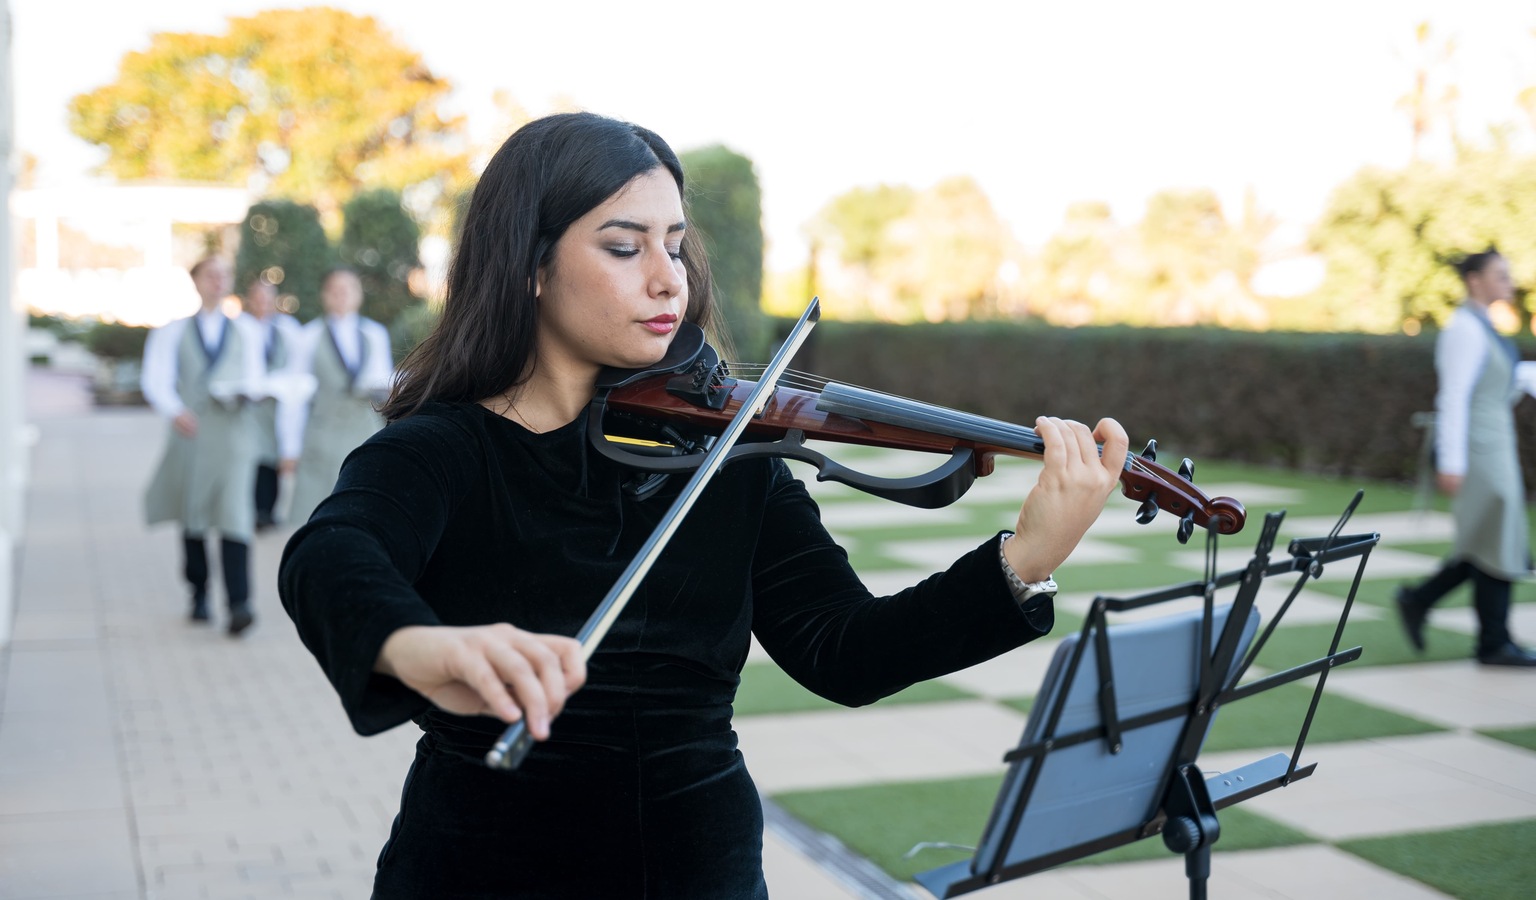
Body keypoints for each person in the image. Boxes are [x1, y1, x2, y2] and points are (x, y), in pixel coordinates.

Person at [278, 112, 1130, 898]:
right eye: (624, 247)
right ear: (531, 265)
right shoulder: (442, 451)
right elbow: (331, 554)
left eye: (676, 245)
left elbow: (846, 651)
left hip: (700, 866)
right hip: (484, 864)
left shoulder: (727, 453)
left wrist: (1023, 561)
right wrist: (417, 645)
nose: (667, 279)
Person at [1397, 248, 1536, 667]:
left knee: (1486, 541)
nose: (1508, 281)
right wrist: (1452, 462)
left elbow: (1500, 381)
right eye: (1500, 274)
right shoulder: (1464, 329)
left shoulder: (1484, 326)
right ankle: (1493, 642)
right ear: (1474, 280)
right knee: (1494, 540)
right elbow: (1453, 395)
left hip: (1494, 441)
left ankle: (1421, 600)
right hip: (1478, 449)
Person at [142, 256, 267, 636]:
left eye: (224, 275)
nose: (218, 281)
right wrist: (174, 410)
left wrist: (247, 393)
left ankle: (239, 603)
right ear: (195, 281)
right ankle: (198, 592)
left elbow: (255, 377)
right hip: (191, 432)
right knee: (193, 511)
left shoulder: (246, 329)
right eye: (210, 275)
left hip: (233, 435)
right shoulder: (172, 332)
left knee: (234, 515)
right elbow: (156, 378)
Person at [280, 267, 393, 525]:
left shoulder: (375, 335)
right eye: (334, 290)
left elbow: (383, 384)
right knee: (317, 516)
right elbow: (294, 396)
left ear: (359, 295)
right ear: (324, 295)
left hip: (364, 433)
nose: (341, 295)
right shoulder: (307, 336)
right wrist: (289, 447)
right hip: (322, 436)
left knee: (363, 513)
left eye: (348, 289)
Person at [239, 276, 302, 531]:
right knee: (254, 457)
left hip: (278, 406)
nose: (262, 302)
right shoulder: (240, 327)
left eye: (267, 297)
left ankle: (269, 510)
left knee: (275, 458)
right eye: (257, 297)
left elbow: (297, 364)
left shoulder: (288, 328)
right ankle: (255, 510)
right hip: (250, 406)